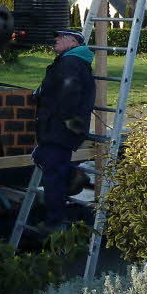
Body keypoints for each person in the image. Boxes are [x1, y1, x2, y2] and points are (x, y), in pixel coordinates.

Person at [31, 28, 95, 233]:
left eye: (60, 37)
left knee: (53, 175)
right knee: (47, 161)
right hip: (56, 127)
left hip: (59, 128)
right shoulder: (69, 61)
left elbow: (69, 92)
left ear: (73, 42)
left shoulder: (71, 63)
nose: (55, 40)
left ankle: (54, 222)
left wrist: (67, 122)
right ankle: (73, 174)